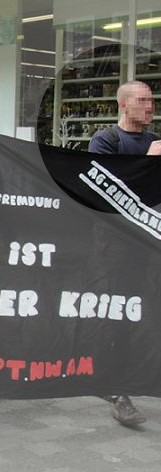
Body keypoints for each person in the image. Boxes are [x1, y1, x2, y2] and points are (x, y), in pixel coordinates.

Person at [87, 80, 158, 427]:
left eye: (151, 100)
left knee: (141, 307)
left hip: (147, 239)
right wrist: (148, 161)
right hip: (115, 241)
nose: (150, 106)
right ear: (124, 106)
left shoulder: (154, 140)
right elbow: (107, 187)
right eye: (143, 101)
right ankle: (112, 384)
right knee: (116, 306)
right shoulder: (107, 141)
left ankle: (128, 373)